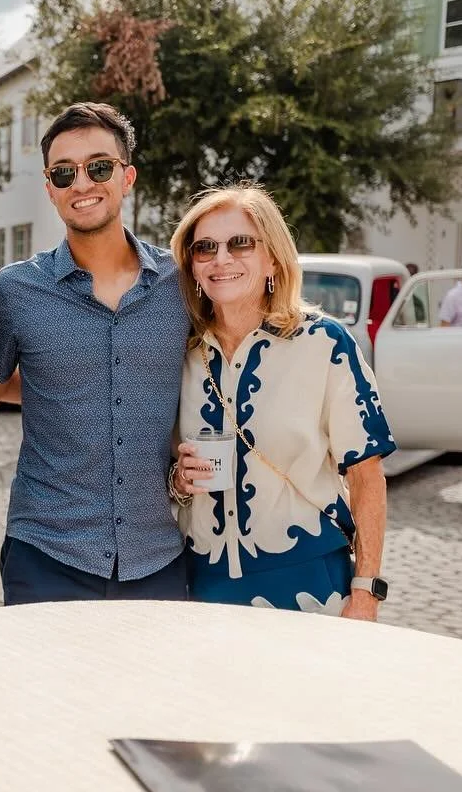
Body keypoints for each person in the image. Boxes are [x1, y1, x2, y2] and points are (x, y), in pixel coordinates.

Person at [0, 102, 193, 604]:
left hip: (157, 552)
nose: (81, 183)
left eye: (99, 167)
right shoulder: (17, 290)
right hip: (46, 554)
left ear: (127, 177)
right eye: (64, 173)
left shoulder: (182, 286)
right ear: (50, 188)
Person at [169, 185, 395, 618]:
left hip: (310, 586)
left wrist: (366, 591)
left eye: (240, 244)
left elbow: (367, 475)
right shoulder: (179, 352)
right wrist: (179, 481)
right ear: (192, 266)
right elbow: (161, 465)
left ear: (272, 258)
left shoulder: (325, 344)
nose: (221, 258)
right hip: (204, 588)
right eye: (204, 248)